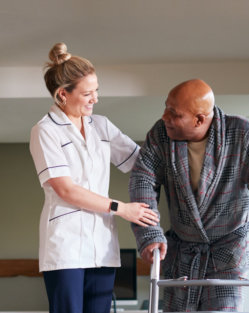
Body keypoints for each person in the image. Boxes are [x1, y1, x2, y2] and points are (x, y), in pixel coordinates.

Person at [129, 79, 249, 312]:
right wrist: (149, 234)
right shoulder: (160, 136)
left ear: (199, 119)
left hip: (227, 250)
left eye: (174, 113)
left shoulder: (245, 134)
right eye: (166, 108)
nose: (164, 117)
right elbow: (143, 181)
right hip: (182, 249)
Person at [29, 42, 159, 313]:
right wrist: (122, 208)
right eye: (87, 93)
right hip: (65, 247)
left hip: (102, 245)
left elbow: (141, 162)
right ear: (63, 94)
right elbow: (66, 190)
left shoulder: (101, 126)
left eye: (96, 91)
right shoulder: (45, 131)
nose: (95, 99)